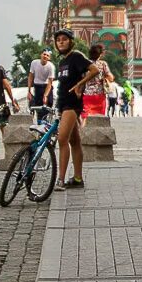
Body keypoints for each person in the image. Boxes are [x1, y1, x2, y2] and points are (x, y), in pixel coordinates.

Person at [52, 28, 99, 190]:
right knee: (74, 141)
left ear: (70, 41)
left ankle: (60, 179)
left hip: (72, 104)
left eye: (64, 39)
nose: (61, 42)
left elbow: (94, 70)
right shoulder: (62, 61)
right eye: (59, 40)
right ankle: (78, 178)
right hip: (63, 103)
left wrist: (80, 84)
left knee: (62, 139)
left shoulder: (76, 57)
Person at [81, 44, 111, 119]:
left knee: (86, 118)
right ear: (100, 54)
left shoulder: (85, 64)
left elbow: (81, 78)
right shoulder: (103, 64)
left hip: (87, 94)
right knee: (100, 118)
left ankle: (83, 130)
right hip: (100, 95)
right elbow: (110, 77)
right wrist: (104, 78)